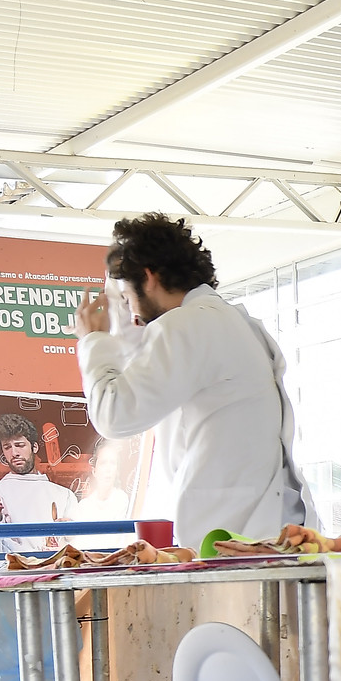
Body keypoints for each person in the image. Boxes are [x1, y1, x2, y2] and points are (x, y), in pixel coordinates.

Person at [73, 213, 311, 546]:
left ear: (149, 277)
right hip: (259, 529)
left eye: (127, 298)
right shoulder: (233, 322)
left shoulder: (187, 326)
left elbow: (116, 416)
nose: (132, 316)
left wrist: (92, 342)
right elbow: (137, 351)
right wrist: (119, 293)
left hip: (232, 539)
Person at [0, 413, 78, 532]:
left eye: (20, 445)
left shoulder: (64, 495)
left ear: (35, 447)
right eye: (7, 447)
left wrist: (69, 533)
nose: (14, 453)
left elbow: (76, 542)